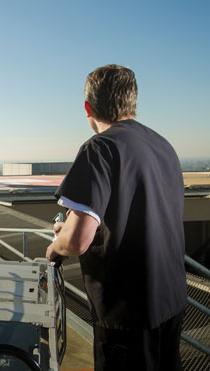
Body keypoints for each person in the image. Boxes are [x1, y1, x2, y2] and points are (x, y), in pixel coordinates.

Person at [46, 65, 187, 370]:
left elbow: (77, 241)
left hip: (128, 313)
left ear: (88, 107)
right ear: (133, 103)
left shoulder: (100, 148)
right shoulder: (163, 146)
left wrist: (57, 244)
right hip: (172, 302)